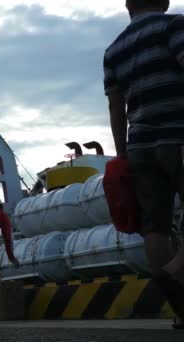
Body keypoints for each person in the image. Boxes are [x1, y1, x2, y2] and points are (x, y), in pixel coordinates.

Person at [103, 0, 184, 328]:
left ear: (127, 6)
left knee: (156, 226)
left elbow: (115, 108)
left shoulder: (114, 50)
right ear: (163, 1)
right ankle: (175, 268)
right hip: (178, 134)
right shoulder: (173, 26)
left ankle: (181, 311)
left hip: (140, 147)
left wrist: (122, 154)